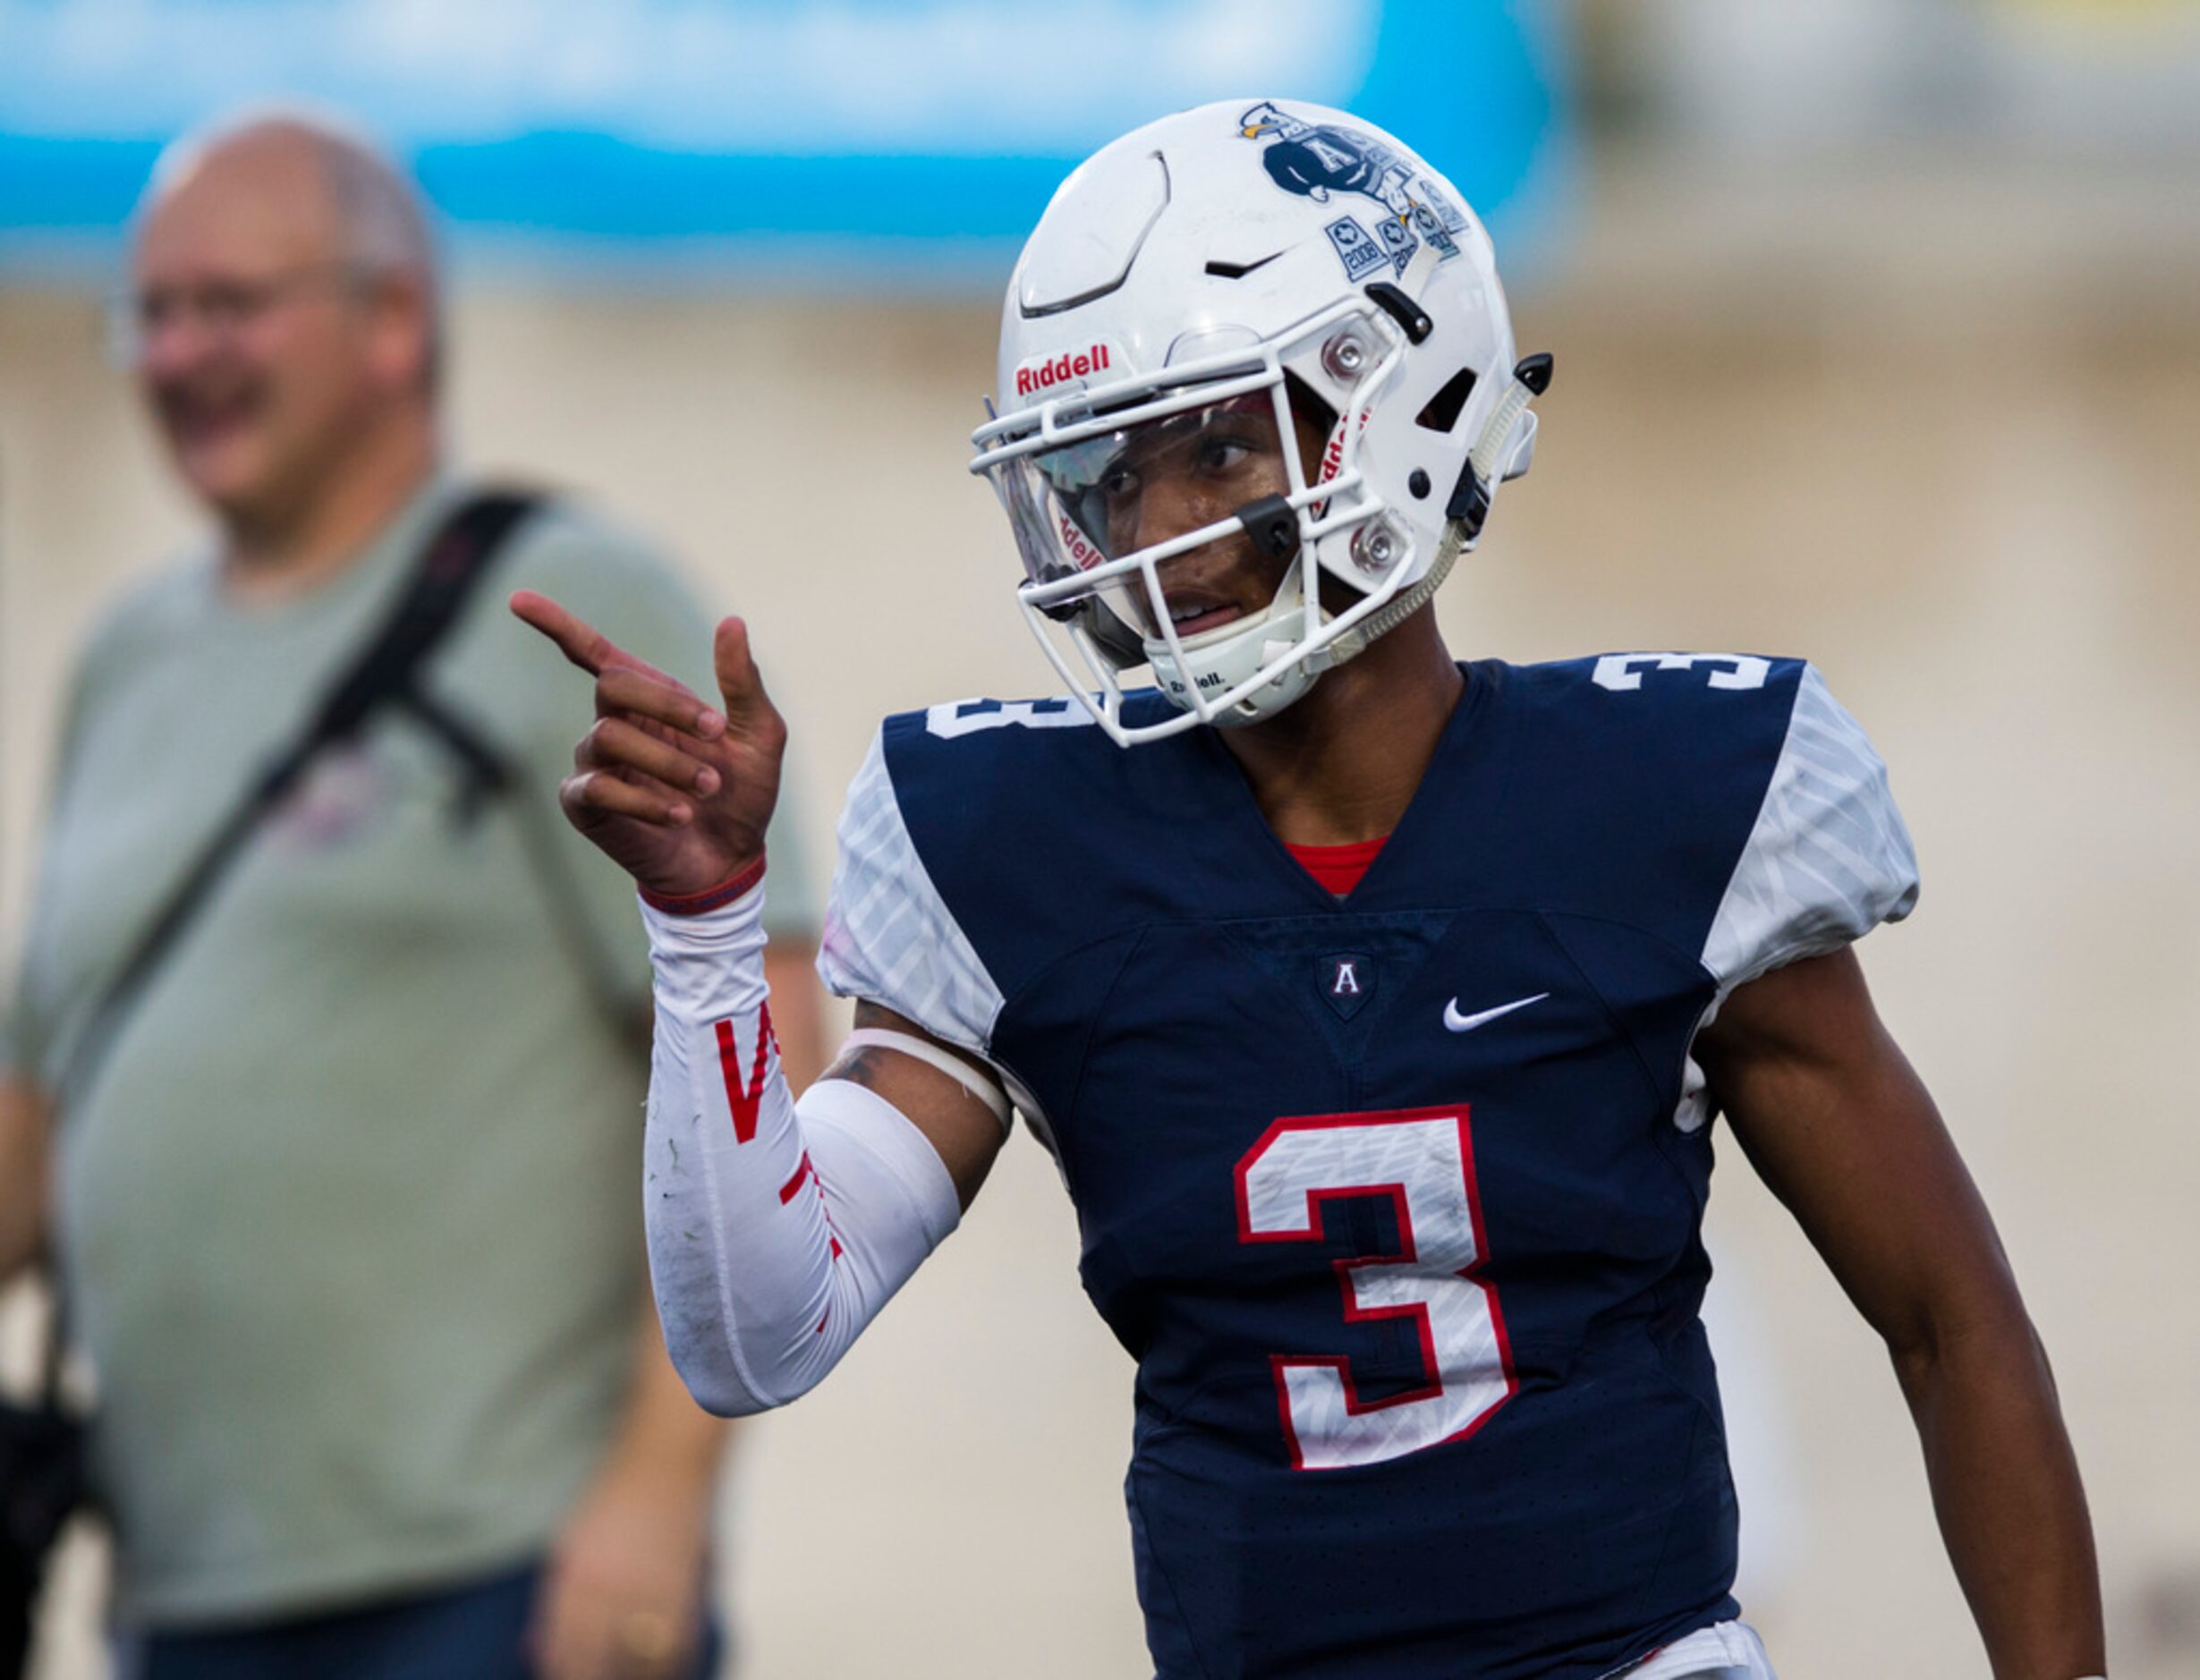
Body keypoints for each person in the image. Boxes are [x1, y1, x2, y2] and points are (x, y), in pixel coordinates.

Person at [514, 100, 2103, 1678]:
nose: (1160, 532)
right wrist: (711, 922)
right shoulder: (1016, 832)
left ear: (1402, 405)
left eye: (1213, 448)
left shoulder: (1665, 796)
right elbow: (759, 1331)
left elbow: (1953, 1324)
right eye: (1114, 475)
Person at [0, 113, 822, 1678]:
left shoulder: (561, 603)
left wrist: (661, 1488)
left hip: (501, 1587)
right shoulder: (122, 660)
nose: (179, 352)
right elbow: (40, 1103)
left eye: (229, 304)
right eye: (151, 311)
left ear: (393, 320)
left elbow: (763, 1035)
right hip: (178, 1597)